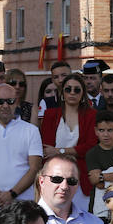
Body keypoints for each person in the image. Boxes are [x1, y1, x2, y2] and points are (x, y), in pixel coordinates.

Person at [42, 73, 100, 201]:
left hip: (81, 177)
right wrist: (74, 151)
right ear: (62, 93)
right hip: (54, 175)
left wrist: (59, 151)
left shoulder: (92, 115)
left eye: (77, 90)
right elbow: (46, 149)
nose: (72, 93)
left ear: (82, 93)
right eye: (68, 89)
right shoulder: (50, 115)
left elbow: (90, 147)